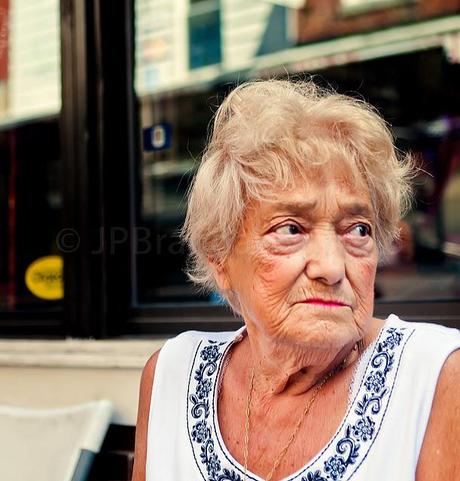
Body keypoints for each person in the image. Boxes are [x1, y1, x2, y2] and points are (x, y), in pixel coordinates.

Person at [132, 79, 460, 481]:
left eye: (357, 230)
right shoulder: (171, 374)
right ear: (220, 256)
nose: (331, 267)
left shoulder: (436, 377)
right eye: (290, 229)